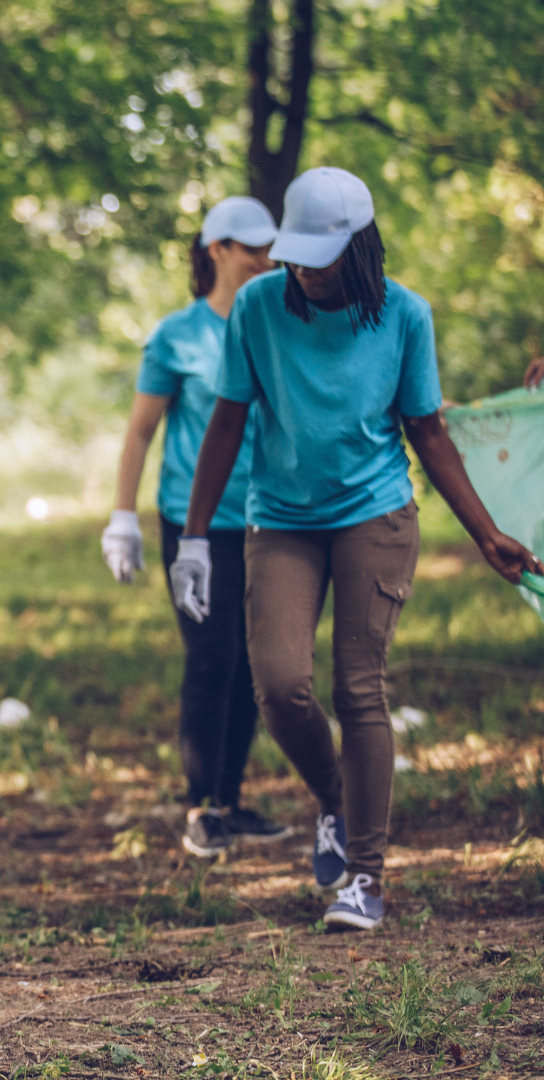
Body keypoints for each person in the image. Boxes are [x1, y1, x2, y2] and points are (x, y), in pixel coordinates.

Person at [174, 167, 541, 931]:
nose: (303, 271)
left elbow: (428, 434)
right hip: (280, 517)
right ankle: (338, 803)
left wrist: (486, 535)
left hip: (374, 512)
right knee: (280, 684)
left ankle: (365, 877)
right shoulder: (258, 308)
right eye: (295, 256)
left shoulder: (405, 315)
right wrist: (196, 538)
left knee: (358, 688)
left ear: (359, 249)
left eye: (320, 257)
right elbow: (227, 423)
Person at [102, 197, 293, 858]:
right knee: (212, 657)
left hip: (268, 518)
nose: (267, 259)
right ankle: (198, 806)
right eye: (253, 248)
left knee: (254, 665)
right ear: (217, 250)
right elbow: (139, 432)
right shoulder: (177, 336)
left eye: (272, 248)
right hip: (196, 522)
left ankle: (231, 801)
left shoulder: (275, 322)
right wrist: (122, 517)